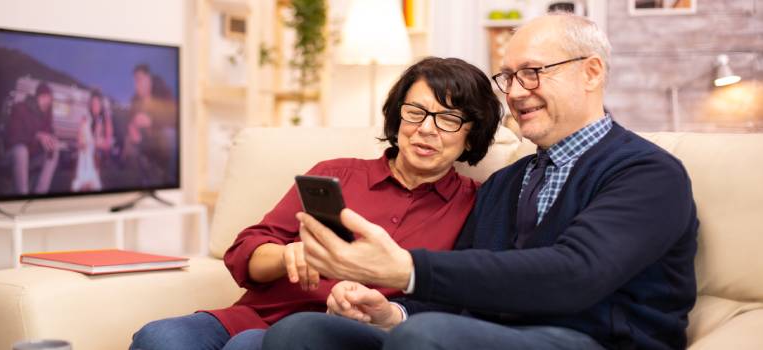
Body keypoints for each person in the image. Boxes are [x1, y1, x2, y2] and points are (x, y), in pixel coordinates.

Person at [263, 13, 698, 350]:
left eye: (532, 71)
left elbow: (575, 274)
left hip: (595, 340)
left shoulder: (648, 174)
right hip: (489, 335)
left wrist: (405, 268)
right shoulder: (505, 183)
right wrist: (391, 313)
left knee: (426, 337)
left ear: (592, 72)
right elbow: (458, 296)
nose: (515, 92)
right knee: (302, 331)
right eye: (508, 77)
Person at [128, 57, 502, 350]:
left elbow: (460, 297)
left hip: (350, 333)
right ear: (397, 115)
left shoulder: (477, 203)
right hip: (256, 315)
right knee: (158, 338)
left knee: (249, 346)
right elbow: (244, 251)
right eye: (415, 112)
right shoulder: (335, 174)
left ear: (472, 136)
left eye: (448, 119)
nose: (425, 128)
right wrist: (289, 254)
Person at [120, 63, 179, 187]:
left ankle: (166, 178)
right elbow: (129, 123)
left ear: (149, 80)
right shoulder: (135, 101)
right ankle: (143, 179)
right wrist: (131, 130)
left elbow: (175, 118)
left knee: (170, 135)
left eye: (139, 79)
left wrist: (151, 122)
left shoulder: (163, 95)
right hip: (144, 147)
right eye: (135, 81)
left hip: (161, 147)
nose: (137, 84)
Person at [6, 81, 60, 195]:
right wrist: (36, 135)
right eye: (46, 98)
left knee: (54, 151)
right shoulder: (20, 108)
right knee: (21, 150)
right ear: (39, 97)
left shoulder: (47, 115)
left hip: (32, 158)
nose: (48, 102)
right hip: (13, 155)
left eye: (50, 100)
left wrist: (53, 141)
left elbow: (50, 134)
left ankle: (40, 192)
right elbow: (13, 137)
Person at [72, 89, 112, 191]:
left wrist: (99, 142)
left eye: (97, 103)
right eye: (93, 103)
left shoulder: (106, 119)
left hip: (100, 152)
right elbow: (79, 139)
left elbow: (108, 143)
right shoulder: (86, 118)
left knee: (93, 152)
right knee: (86, 150)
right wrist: (82, 142)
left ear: (101, 104)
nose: (95, 106)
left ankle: (88, 180)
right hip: (87, 152)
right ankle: (86, 180)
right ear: (90, 104)